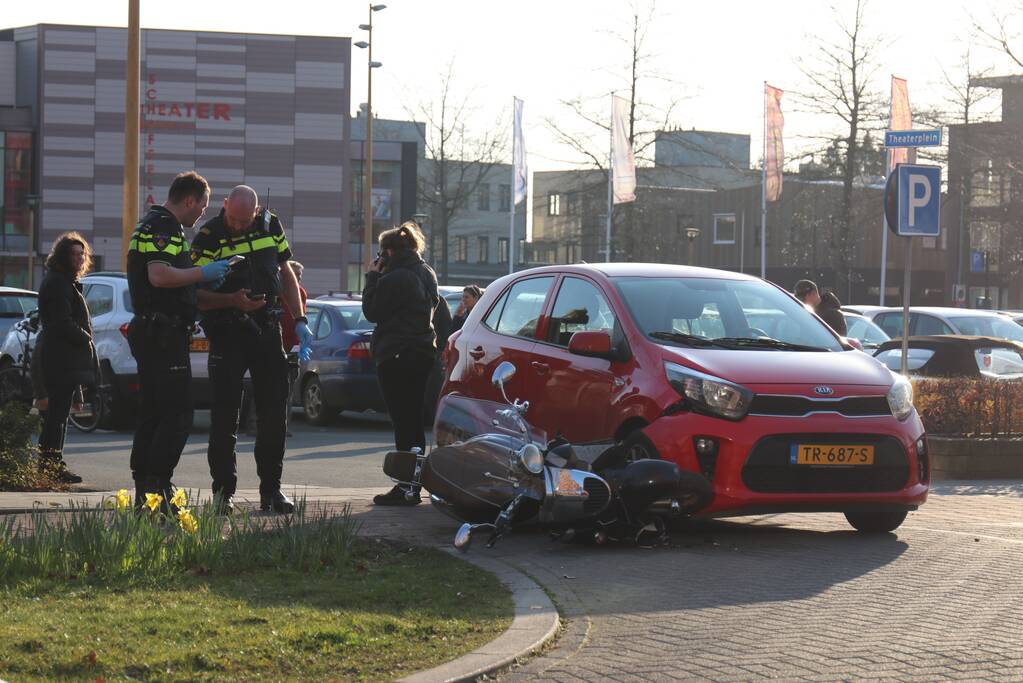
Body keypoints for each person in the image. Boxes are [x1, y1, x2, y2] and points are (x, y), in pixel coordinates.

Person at [190, 185, 312, 514]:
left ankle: (272, 491)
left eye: (246, 221)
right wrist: (231, 300)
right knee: (224, 417)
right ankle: (222, 494)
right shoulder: (208, 236)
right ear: (225, 205)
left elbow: (285, 272)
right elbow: (194, 292)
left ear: (256, 212)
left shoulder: (271, 226)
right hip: (228, 330)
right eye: (234, 218)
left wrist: (299, 318)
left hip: (267, 330)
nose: (240, 226)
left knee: (274, 415)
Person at [127, 171, 230, 509]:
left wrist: (193, 287)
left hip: (156, 330)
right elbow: (158, 276)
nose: (202, 214)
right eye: (202, 206)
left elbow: (165, 276)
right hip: (163, 334)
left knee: (154, 412)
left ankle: (146, 490)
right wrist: (203, 273)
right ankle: (158, 486)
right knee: (178, 413)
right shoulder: (164, 227)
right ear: (189, 200)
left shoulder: (150, 224)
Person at [362, 221, 439, 506]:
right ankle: (413, 484)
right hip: (421, 352)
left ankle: (406, 486)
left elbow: (372, 311)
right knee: (414, 420)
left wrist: (371, 278)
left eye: (381, 253)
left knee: (403, 423)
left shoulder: (396, 278)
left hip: (396, 354)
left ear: (389, 252)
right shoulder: (425, 272)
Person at [36, 232, 98, 484]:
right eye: (73, 253)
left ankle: (52, 465)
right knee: (56, 417)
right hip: (59, 359)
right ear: (63, 255)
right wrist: (85, 337)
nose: (79, 257)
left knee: (59, 417)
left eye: (81, 253)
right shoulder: (58, 283)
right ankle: (50, 467)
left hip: (62, 358)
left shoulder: (64, 282)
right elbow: (61, 323)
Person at [279, 260, 308, 436]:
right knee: (272, 385)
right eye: (294, 274)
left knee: (288, 385)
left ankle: (284, 424)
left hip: (294, 346)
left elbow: (302, 314)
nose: (297, 278)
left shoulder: (301, 293)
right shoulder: (277, 292)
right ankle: (256, 424)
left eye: (299, 275)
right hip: (277, 344)